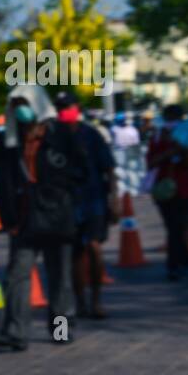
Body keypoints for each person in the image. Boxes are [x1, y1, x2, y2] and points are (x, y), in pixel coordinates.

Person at [0, 85, 88, 350]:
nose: (21, 110)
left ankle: (61, 330)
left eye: (24, 103)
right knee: (17, 276)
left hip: (58, 217)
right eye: (15, 105)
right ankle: (15, 332)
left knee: (60, 278)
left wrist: (61, 191)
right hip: (23, 219)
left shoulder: (60, 134)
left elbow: (82, 169)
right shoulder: (10, 138)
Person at [55, 94, 117, 319]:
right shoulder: (54, 136)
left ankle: (97, 300)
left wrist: (115, 200)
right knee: (75, 254)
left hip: (94, 198)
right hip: (67, 201)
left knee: (94, 247)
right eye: (60, 108)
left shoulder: (91, 134)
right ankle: (80, 302)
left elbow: (109, 168)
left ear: (76, 108)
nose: (63, 112)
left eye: (67, 107)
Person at [146, 104, 188, 279]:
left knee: (183, 225)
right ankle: (175, 264)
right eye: (169, 119)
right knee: (173, 227)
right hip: (164, 190)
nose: (172, 123)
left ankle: (184, 259)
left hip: (185, 189)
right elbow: (150, 163)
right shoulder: (158, 137)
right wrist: (169, 152)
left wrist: (183, 149)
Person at [111, 111, 143, 197]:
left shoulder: (114, 129)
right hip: (121, 151)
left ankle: (130, 191)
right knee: (123, 171)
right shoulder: (131, 129)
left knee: (128, 171)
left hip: (125, 150)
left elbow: (137, 143)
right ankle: (129, 191)